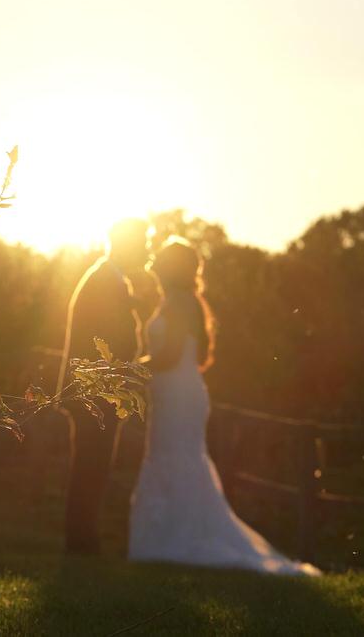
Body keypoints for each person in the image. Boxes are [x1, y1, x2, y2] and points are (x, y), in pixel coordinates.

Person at [127, 238, 320, 575]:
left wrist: (131, 369)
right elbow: (197, 357)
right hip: (182, 391)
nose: (153, 261)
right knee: (177, 457)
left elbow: (170, 354)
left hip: (176, 394)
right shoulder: (187, 302)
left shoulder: (177, 302)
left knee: (175, 457)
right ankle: (172, 538)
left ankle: (177, 540)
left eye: (161, 258)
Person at [58, 218, 150, 555]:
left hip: (95, 391)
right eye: (144, 242)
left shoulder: (109, 279)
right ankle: (82, 543)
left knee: (92, 464)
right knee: (91, 464)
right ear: (127, 244)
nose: (148, 250)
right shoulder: (105, 282)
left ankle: (83, 539)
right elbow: (112, 343)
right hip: (92, 393)